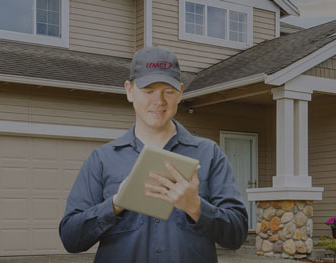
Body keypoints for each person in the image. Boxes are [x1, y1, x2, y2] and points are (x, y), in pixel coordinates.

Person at [58, 46, 249, 262]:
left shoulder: (209, 155)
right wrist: (115, 204)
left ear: (180, 93)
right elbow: (71, 238)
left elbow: (237, 235)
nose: (159, 101)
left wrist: (195, 207)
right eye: (148, 91)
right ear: (129, 91)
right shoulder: (102, 159)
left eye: (168, 91)